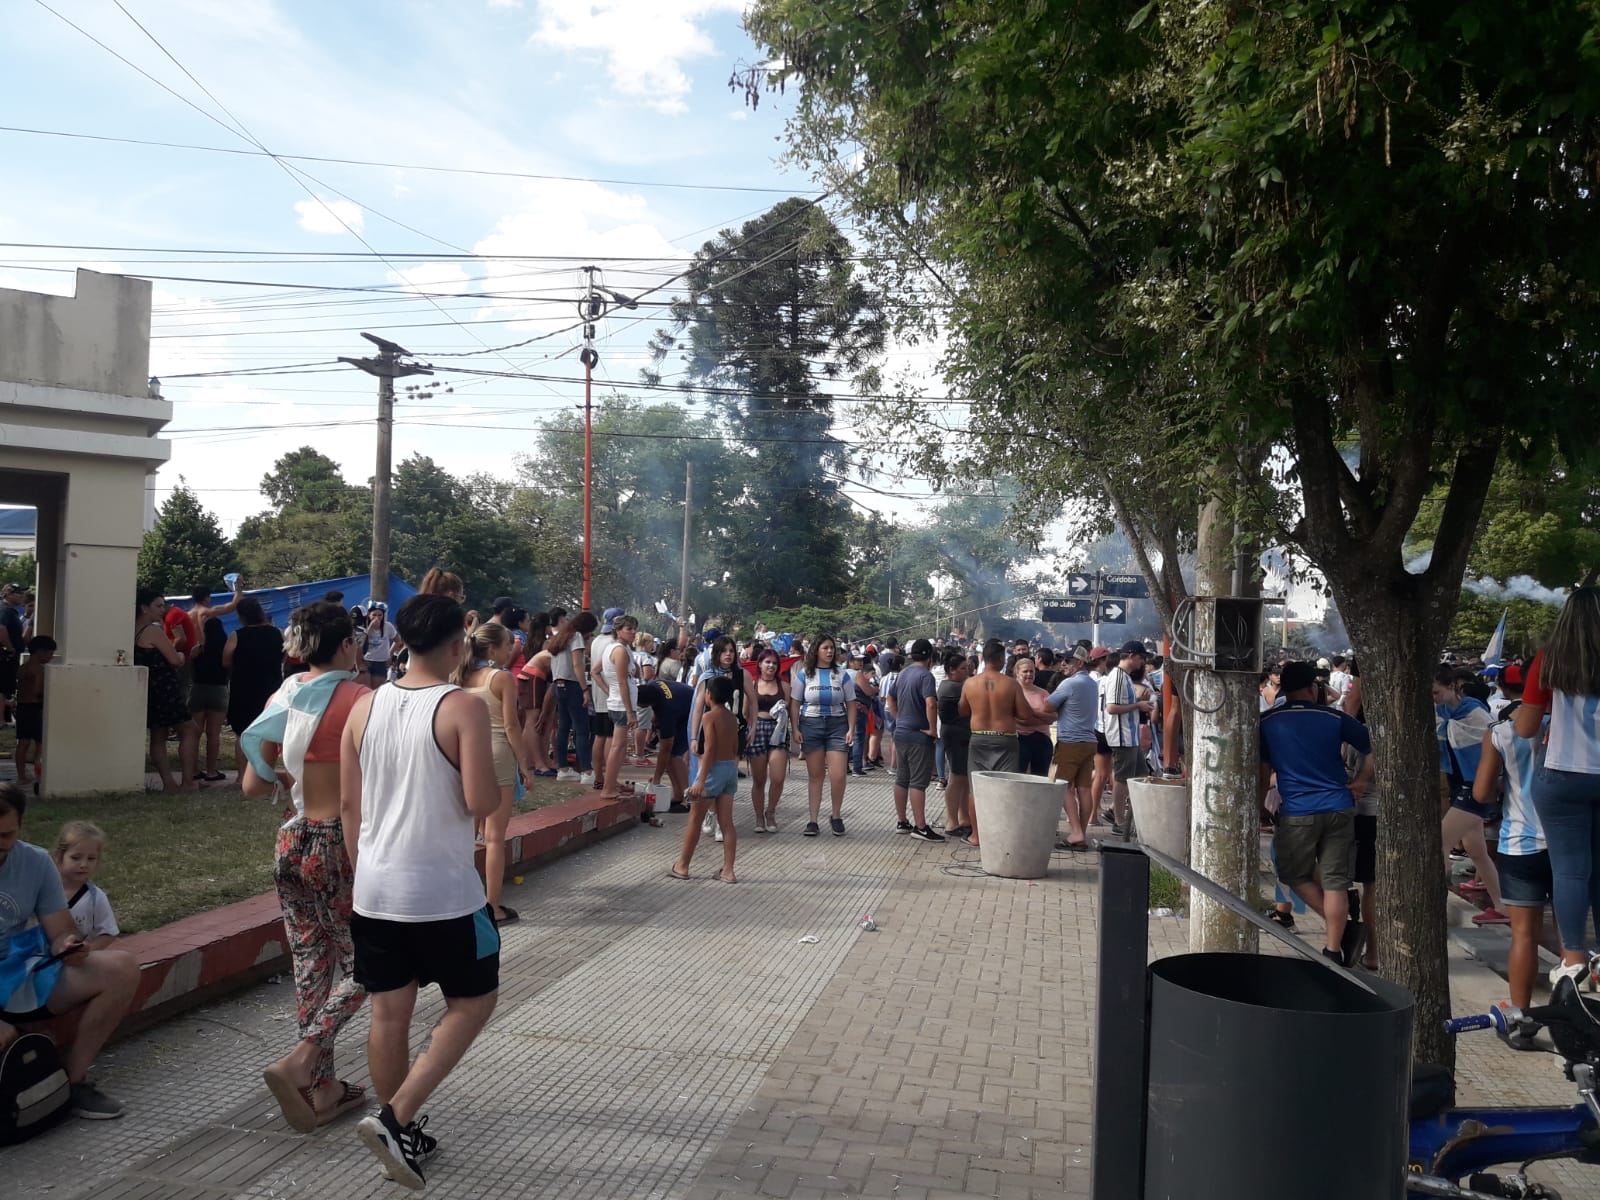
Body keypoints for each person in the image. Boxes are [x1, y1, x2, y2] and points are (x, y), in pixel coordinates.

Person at [339, 593, 501, 1188]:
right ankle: (395, 1119)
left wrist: (365, 873)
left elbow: (350, 805)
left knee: (389, 1013)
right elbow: (480, 802)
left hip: (374, 887)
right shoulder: (463, 706)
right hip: (443, 891)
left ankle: (397, 1134)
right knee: (474, 1001)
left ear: (402, 640)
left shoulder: (363, 706)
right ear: (458, 645)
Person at [240, 601, 370, 1131]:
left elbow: (253, 784)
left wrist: (291, 777)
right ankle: (303, 1057)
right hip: (338, 842)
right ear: (346, 644)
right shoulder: (360, 699)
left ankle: (322, 1088)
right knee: (370, 963)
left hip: (290, 842)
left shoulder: (286, 695)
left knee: (311, 966)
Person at [0, 784, 139, 1118]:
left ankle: (71, 1084)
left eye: (5, 835)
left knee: (121, 968)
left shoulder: (35, 861)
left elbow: (60, 930)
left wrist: (68, 946)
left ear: (21, 826)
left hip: (14, 973)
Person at [1259, 660, 1373, 967]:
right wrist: (1361, 780)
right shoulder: (1333, 717)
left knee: (1292, 873)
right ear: (1313, 688)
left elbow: (1264, 772)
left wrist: (1259, 806)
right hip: (1340, 806)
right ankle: (1333, 949)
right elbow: (1374, 746)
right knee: (1336, 882)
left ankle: (1343, 932)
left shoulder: (1268, 721)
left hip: (1298, 810)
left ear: (1283, 689)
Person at [1514, 587, 1600, 992]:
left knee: (1570, 871)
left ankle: (1574, 960)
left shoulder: (1550, 660)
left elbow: (1525, 728)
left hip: (1563, 774)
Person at [1473, 664, 1552, 1028]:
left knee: (1524, 935)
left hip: (1519, 843)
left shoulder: (1500, 732)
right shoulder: (1567, 729)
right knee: (1569, 938)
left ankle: (1520, 1017)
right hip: (1569, 843)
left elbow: (1482, 793)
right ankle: (1572, 1016)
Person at [454, 622, 535, 925]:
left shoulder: (459, 676)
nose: (512, 649)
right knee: (494, 837)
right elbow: (511, 725)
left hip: (467, 754)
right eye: (507, 644)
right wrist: (524, 765)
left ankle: (460, 899)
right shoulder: (500, 678)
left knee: (465, 832)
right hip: (498, 753)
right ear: (492, 649)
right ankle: (493, 906)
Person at [1434, 666, 1506, 925]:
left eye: (1436, 692)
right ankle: (1502, 907)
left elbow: (1493, 748)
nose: (1434, 698)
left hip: (1475, 787)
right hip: (1462, 786)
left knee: (1441, 841)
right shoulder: (1442, 714)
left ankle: (1434, 907)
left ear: (1452, 686)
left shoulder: (1475, 713)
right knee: (1477, 851)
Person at [957, 640, 1036, 850]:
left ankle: (976, 836)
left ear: (984, 658)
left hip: (979, 737)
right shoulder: (1011, 684)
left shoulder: (970, 683)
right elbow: (1025, 715)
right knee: (1006, 788)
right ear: (1001, 659)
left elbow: (962, 710)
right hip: (1005, 738)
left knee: (976, 789)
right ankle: (1003, 835)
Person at [670, 675, 740, 883]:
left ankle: (682, 866)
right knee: (727, 823)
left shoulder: (709, 717)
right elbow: (735, 748)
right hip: (730, 768)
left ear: (708, 695)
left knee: (695, 819)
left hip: (713, 770)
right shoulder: (732, 718)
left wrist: (701, 780)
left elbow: (709, 749)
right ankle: (728, 870)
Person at [789, 633, 857, 837]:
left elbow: (851, 703)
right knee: (816, 776)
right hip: (811, 725)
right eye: (825, 648)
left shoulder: (842, 674)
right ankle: (812, 820)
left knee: (838, 775)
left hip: (837, 725)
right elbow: (795, 703)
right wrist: (795, 728)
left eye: (832, 648)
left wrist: (851, 728)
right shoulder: (804, 674)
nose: (829, 651)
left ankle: (836, 815)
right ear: (816, 650)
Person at [135, 586, 199, 792]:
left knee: (158, 735)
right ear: (144, 608)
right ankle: (188, 781)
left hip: (148, 688)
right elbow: (175, 659)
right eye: (158, 605)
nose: (163, 609)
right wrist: (181, 655)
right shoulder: (152, 631)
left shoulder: (132, 630)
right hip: (165, 688)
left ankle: (168, 783)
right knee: (190, 730)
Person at [888, 639, 945, 841]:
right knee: (918, 782)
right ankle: (920, 827)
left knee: (901, 778)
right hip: (919, 735)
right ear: (930, 657)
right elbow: (931, 703)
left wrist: (898, 718)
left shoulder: (903, 673)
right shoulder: (926, 676)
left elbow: (890, 698)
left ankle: (902, 821)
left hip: (901, 733)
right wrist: (932, 729)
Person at [188, 580, 243, 783]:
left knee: (193, 732)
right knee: (213, 733)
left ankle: (192, 769)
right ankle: (211, 770)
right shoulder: (208, 613)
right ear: (207, 598)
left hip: (197, 672)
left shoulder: (188, 616)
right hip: (215, 676)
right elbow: (232, 606)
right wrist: (238, 589)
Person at [1097, 641, 1152, 835]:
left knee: (1141, 774)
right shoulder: (1118, 677)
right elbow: (1112, 708)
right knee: (1122, 778)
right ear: (1131, 655)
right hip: (1122, 736)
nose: (1142, 662)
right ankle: (1119, 821)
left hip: (1130, 735)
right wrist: (1138, 705)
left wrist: (1138, 702)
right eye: (1141, 658)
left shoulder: (1124, 677)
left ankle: (1115, 811)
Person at [1047, 646, 1099, 849]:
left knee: (1061, 785)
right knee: (1084, 789)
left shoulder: (1070, 683)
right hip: (1089, 741)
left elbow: (1047, 706)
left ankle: (1076, 832)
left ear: (1080, 662)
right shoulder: (1092, 683)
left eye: (1068, 661)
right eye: (1063, 660)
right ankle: (1081, 833)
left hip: (1070, 742)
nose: (1063, 664)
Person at [547, 610, 597, 784]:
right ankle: (587, 770)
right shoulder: (576, 637)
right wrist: (585, 689)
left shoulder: (560, 637)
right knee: (582, 729)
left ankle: (563, 768)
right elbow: (577, 664)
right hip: (572, 685)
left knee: (563, 727)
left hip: (558, 684)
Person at [52, 821, 119, 950]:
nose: (84, 864)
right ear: (59, 856)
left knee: (122, 959)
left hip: (78, 958)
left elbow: (109, 933)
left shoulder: (96, 898)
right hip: (38, 955)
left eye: (91, 858)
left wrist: (88, 950)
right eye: (76, 858)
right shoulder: (44, 889)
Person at [596, 615, 642, 802]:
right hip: (622, 705)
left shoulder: (614, 648)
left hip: (618, 701)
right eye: (628, 629)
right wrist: (630, 711)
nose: (633, 632)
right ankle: (608, 787)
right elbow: (622, 682)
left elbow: (596, 671)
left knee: (618, 746)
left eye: (634, 628)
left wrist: (609, 690)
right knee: (618, 746)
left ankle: (611, 783)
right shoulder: (620, 651)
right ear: (618, 630)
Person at [224, 596, 284, 738]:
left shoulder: (236, 636)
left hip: (244, 690)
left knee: (243, 734)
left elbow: (226, 662)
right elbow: (284, 656)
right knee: (269, 735)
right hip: (271, 688)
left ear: (241, 616)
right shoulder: (278, 633)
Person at [747, 649, 791, 833]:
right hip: (757, 730)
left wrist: (795, 730)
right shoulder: (752, 684)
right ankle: (759, 816)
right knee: (759, 779)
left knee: (778, 778)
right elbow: (745, 712)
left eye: (774, 663)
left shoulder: (784, 686)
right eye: (767, 662)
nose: (771, 666)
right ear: (760, 664)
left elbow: (790, 710)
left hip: (778, 730)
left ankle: (770, 812)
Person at [638, 677, 696, 813]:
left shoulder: (666, 710)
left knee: (674, 755)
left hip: (694, 713)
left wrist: (656, 779)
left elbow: (665, 749)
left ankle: (689, 800)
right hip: (687, 704)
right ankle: (679, 795)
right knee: (670, 757)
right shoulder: (653, 685)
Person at [938, 648, 973, 840]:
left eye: (967, 668)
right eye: (963, 669)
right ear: (951, 670)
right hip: (956, 735)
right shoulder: (952, 687)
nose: (966, 672)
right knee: (957, 777)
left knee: (963, 778)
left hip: (960, 734)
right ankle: (951, 821)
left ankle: (963, 817)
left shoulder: (954, 685)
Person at [14, 634, 53, 789]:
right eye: (50, 654)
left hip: (22, 707)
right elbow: (38, 691)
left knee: (23, 742)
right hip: (35, 708)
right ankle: (39, 772)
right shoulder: (39, 670)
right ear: (40, 652)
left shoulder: (23, 667)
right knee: (40, 743)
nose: (51, 657)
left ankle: (21, 776)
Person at [1011, 654, 1056, 777]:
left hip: (1042, 740)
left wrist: (1032, 713)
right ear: (1017, 672)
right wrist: (1042, 718)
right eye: (1025, 671)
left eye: (1032, 671)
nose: (1029, 674)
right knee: (1018, 777)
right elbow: (1021, 720)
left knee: (1040, 778)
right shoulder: (1012, 691)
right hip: (1019, 739)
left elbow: (1053, 717)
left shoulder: (1043, 693)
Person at [360, 605, 400, 690]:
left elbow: (398, 641)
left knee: (377, 689)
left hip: (381, 662)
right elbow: (362, 643)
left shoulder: (387, 626)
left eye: (380, 615)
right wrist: (370, 628)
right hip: (366, 660)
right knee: (365, 688)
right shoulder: (364, 626)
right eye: (374, 615)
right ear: (369, 615)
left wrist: (390, 654)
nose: (377, 617)